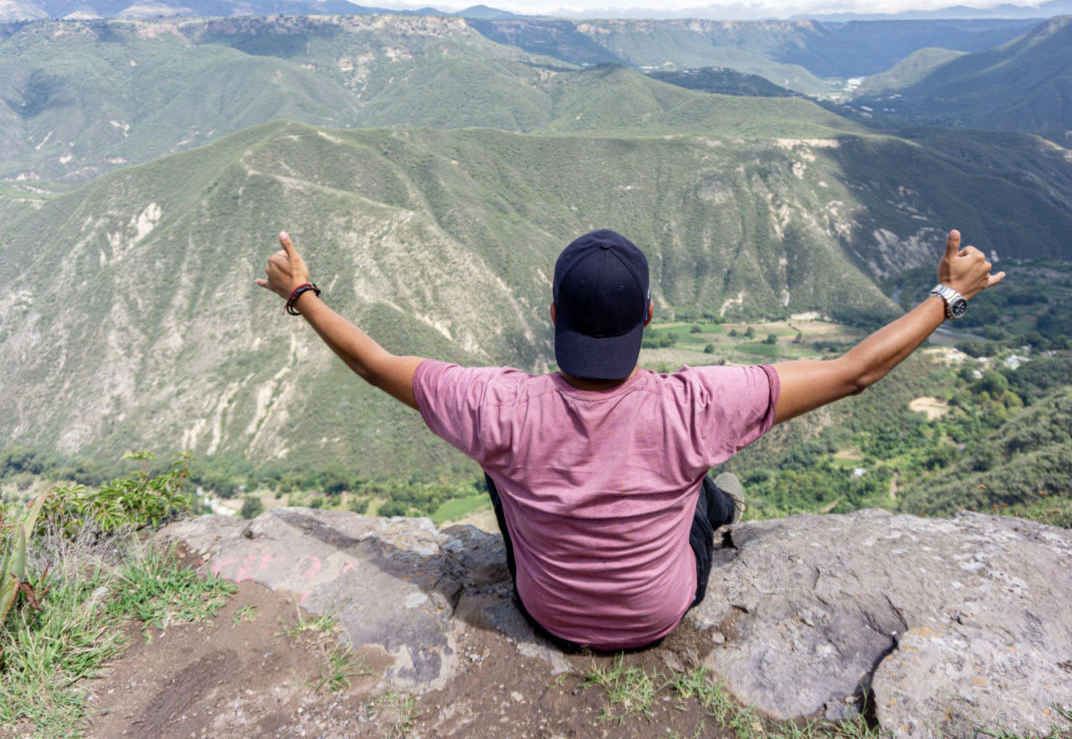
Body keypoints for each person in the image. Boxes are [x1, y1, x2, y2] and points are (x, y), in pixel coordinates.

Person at [257, 227, 1002, 650]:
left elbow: (374, 362)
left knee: (496, 466)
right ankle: (710, 506)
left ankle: (679, 506)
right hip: (662, 612)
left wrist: (302, 295)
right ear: (649, 316)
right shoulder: (698, 405)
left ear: (551, 311)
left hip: (546, 613)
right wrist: (947, 295)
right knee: (698, 483)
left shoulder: (498, 406)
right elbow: (852, 373)